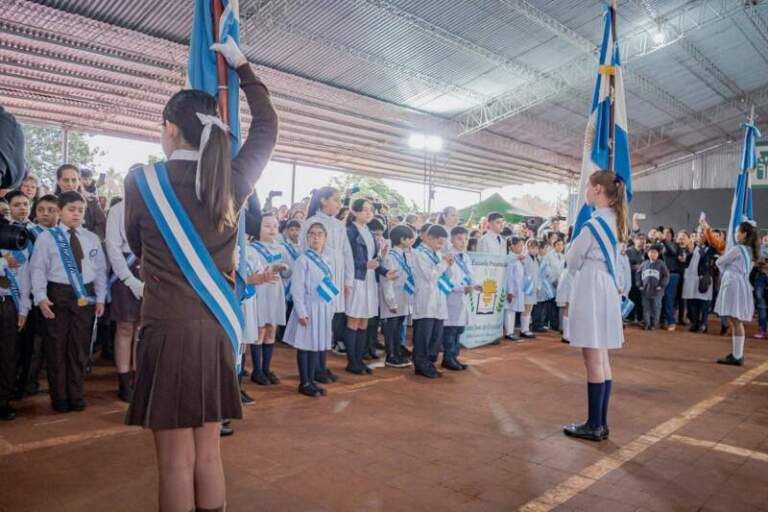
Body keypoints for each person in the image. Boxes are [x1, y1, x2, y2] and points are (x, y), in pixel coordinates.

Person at [123, 38, 278, 512]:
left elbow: (135, 244)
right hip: (215, 331)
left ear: (170, 129)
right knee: (209, 455)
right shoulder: (233, 179)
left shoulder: (141, 181)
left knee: (174, 463)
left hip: (165, 329)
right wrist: (243, 67)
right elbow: (268, 127)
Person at [563, 171, 627, 442]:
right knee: (602, 357)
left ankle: (594, 424)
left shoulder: (594, 225)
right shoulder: (615, 221)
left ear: (598, 189)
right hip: (606, 287)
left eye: (588, 187)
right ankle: (600, 421)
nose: (586, 192)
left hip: (591, 286)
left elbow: (572, 260)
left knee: (592, 357)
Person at [30, 191, 107, 412]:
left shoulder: (91, 238)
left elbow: (100, 270)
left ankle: (75, 393)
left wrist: (101, 297)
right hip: (57, 294)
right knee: (56, 346)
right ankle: (59, 396)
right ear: (60, 211)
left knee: (79, 347)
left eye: (80, 210)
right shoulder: (47, 237)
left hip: (85, 296)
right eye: (71, 210)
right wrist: (41, 297)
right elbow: (38, 269)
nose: (76, 214)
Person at [299, 187, 350, 381]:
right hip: (315, 284)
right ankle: (314, 370)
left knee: (326, 325)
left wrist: (348, 280)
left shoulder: (338, 224)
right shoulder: (311, 223)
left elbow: (346, 253)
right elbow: (304, 252)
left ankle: (321, 366)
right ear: (322, 201)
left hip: (332, 281)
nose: (338, 204)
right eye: (335, 200)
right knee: (315, 326)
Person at [284, 222, 338, 397]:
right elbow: (297, 288)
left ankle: (312, 379)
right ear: (307, 238)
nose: (315, 237)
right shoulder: (303, 259)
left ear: (325, 238)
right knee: (305, 345)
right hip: (308, 306)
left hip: (322, 307)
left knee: (316, 345)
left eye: (319, 234)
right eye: (312, 234)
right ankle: (304, 382)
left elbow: (330, 285)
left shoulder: (328, 259)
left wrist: (331, 307)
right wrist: (301, 312)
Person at [343, 198, 395, 375]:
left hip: (370, 280)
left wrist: (385, 271)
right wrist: (364, 265)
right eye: (364, 209)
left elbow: (374, 261)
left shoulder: (370, 233)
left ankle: (359, 359)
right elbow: (346, 259)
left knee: (364, 321)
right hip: (357, 279)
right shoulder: (349, 231)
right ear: (355, 212)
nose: (368, 213)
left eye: (370, 210)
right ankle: (352, 361)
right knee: (354, 320)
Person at [104, 199, 144, 402]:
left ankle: (139, 377)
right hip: (124, 270)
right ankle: (123, 379)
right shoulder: (117, 210)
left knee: (142, 328)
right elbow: (112, 246)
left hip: (150, 269)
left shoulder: (155, 205)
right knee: (126, 326)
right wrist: (128, 279)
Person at [251, 213, 291, 386]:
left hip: (275, 291)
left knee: (270, 329)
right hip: (260, 290)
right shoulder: (252, 249)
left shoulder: (281, 248)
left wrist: (283, 267)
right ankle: (257, 370)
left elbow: (289, 272)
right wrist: (270, 268)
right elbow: (252, 271)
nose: (272, 229)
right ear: (258, 228)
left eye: (275, 226)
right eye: (267, 225)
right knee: (259, 330)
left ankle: (266, 368)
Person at [715, 221, 759, 366]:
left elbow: (720, 261)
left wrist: (724, 266)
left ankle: (737, 355)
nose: (735, 234)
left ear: (744, 234)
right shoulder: (750, 250)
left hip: (733, 283)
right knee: (735, 319)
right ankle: (736, 353)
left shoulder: (738, 249)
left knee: (735, 319)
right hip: (741, 283)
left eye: (737, 231)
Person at [412, 224, 453, 378]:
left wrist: (448, 264)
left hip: (438, 297)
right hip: (426, 299)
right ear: (429, 238)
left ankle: (430, 363)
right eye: (439, 242)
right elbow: (430, 275)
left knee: (436, 334)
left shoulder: (436, 253)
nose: (441, 245)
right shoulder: (419, 254)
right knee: (424, 334)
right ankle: (421, 364)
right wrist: (444, 263)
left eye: (443, 242)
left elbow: (443, 274)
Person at [0, 224, 31, 420]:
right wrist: (2, 262)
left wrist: (23, 308)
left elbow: (25, 279)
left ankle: (2, 401)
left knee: (7, 355)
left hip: (8, 304)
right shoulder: (6, 258)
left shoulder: (15, 247)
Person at [443, 226, 479, 370]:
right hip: (451, 298)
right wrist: (462, 288)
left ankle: (454, 356)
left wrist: (476, 285)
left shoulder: (466, 257)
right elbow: (445, 281)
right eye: (459, 239)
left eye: (465, 239)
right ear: (451, 239)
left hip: (463, 297)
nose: (463, 242)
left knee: (459, 329)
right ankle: (448, 358)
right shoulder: (447, 256)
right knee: (450, 330)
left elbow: (470, 275)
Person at [379, 225, 415, 368]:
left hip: (403, 297)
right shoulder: (390, 257)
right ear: (402, 239)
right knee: (390, 329)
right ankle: (390, 355)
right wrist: (391, 302)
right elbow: (386, 282)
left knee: (398, 327)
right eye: (410, 238)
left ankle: (397, 352)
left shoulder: (404, 255)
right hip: (393, 298)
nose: (412, 241)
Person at [54, 164, 107, 240]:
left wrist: (87, 239)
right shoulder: (50, 204)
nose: (70, 184)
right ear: (58, 181)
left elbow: (102, 226)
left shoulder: (91, 202)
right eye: (66, 180)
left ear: (79, 181)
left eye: (74, 180)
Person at [682, 229, 715, 333]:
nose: (700, 237)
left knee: (703, 303)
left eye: (702, 235)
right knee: (693, 302)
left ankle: (704, 324)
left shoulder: (710, 249)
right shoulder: (693, 247)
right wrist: (690, 252)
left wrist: (699, 248)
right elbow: (687, 261)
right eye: (698, 235)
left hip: (703, 278)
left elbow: (706, 258)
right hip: (692, 279)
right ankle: (695, 323)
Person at [637, 243, 669, 330]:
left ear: (658, 254)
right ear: (648, 254)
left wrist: (661, 285)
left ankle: (654, 324)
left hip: (657, 291)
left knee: (656, 307)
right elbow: (638, 274)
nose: (653, 254)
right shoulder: (644, 264)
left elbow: (666, 275)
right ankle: (647, 323)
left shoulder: (661, 264)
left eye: (655, 252)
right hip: (645, 290)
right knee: (646, 307)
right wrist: (639, 285)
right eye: (651, 252)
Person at [504, 237, 525, 341]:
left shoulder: (517, 259)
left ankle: (511, 331)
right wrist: (510, 291)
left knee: (512, 310)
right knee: (509, 310)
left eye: (522, 245)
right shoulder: (510, 259)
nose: (522, 248)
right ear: (512, 246)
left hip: (518, 289)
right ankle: (509, 332)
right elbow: (509, 277)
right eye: (520, 245)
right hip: (512, 290)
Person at [660, 227, 682, 331]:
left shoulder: (676, 245)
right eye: (664, 233)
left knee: (669, 298)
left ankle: (671, 321)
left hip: (673, 275)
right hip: (662, 275)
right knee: (662, 298)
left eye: (669, 233)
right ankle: (663, 320)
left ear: (672, 235)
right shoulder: (661, 245)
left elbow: (672, 251)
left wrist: (663, 240)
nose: (666, 234)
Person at [521, 239, 541, 339]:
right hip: (527, 286)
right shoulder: (524, 258)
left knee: (530, 308)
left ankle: (526, 328)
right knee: (526, 307)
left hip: (533, 286)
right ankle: (524, 330)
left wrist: (538, 286)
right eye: (532, 247)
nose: (534, 250)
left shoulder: (536, 259)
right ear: (527, 247)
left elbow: (537, 274)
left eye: (536, 248)